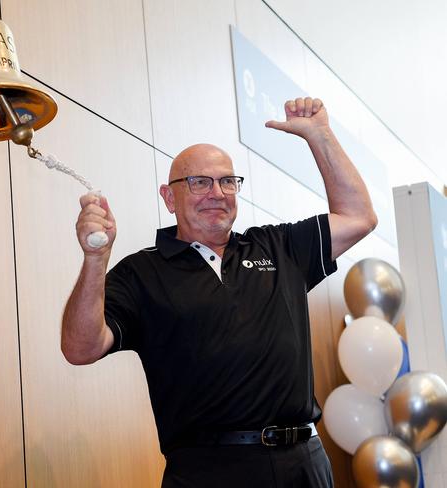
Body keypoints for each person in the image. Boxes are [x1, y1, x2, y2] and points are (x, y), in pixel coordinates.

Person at [61, 97, 377, 488]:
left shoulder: (279, 247)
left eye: (227, 181)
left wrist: (319, 136)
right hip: (208, 471)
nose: (217, 192)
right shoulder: (142, 272)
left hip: (304, 464)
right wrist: (96, 258)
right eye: (199, 182)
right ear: (168, 196)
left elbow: (358, 217)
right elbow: (80, 348)